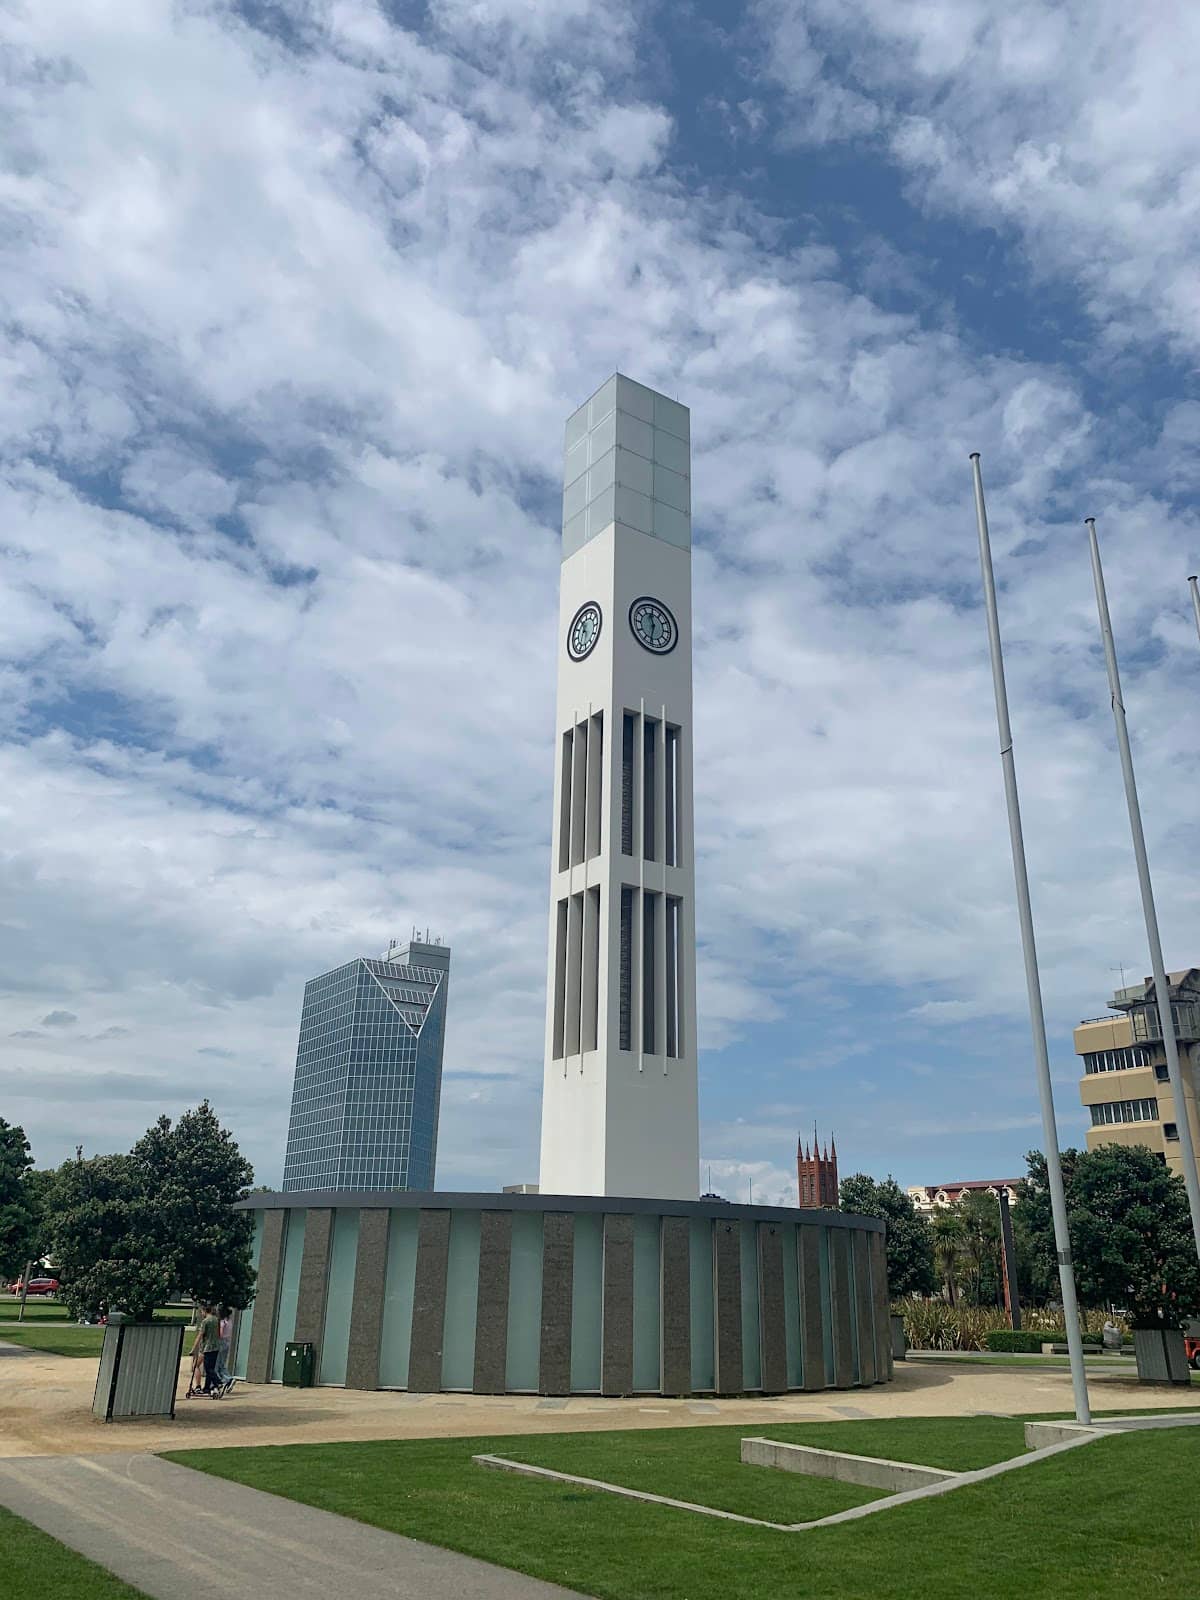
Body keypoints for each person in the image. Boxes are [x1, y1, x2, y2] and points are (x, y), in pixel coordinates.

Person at [190, 1303, 222, 1396]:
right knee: (210, 1368)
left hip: (207, 1348)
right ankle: (207, 1388)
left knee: (201, 1367)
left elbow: (200, 1335)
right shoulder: (216, 1320)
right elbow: (218, 1334)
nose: (201, 1314)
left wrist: (193, 1349)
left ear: (204, 1311)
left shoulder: (205, 1321)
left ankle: (217, 1382)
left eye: (201, 1312)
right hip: (215, 1347)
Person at [214, 1307, 236, 1394]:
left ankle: (224, 1380)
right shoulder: (229, 1321)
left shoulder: (222, 1322)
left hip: (221, 1343)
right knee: (222, 1364)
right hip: (227, 1342)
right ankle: (227, 1379)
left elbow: (220, 1333)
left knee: (216, 1364)